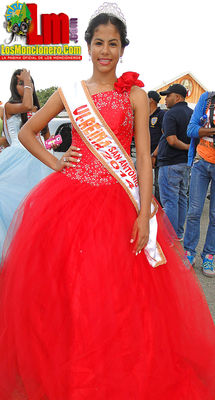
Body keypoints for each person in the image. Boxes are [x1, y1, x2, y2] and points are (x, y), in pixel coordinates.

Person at [0, 4, 215, 399]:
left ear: (122, 48)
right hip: (70, 201)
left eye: (113, 43)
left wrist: (145, 211)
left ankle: (113, 367)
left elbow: (143, 163)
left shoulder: (134, 94)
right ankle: (73, 366)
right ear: (88, 46)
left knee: (118, 298)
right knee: (70, 293)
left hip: (118, 204)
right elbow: (30, 132)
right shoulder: (70, 92)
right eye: (98, 42)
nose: (105, 50)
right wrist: (57, 161)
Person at [0, 69, 64, 259]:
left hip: (39, 160)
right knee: (13, 205)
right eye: (20, 83)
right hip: (16, 160)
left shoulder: (39, 112)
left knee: (40, 209)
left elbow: (51, 140)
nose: (25, 85)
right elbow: (27, 104)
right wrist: (28, 78)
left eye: (27, 82)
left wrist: (55, 142)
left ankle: (35, 254)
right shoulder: (9, 107)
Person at [184, 91, 215, 277]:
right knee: (194, 211)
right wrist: (211, 130)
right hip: (201, 161)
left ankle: (209, 256)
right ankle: (189, 252)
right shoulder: (207, 98)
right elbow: (191, 129)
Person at [157, 84, 193, 240]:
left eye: (168, 96)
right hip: (185, 163)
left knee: (170, 201)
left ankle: (167, 238)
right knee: (181, 198)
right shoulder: (192, 113)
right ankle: (177, 234)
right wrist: (190, 149)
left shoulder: (170, 114)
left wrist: (187, 148)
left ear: (177, 97)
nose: (165, 99)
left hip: (170, 162)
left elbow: (171, 140)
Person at [148, 90, 165, 204]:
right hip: (145, 154)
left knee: (159, 183)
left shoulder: (161, 114)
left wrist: (155, 154)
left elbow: (165, 135)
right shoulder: (144, 115)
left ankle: (159, 206)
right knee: (141, 180)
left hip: (159, 153)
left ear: (151, 100)